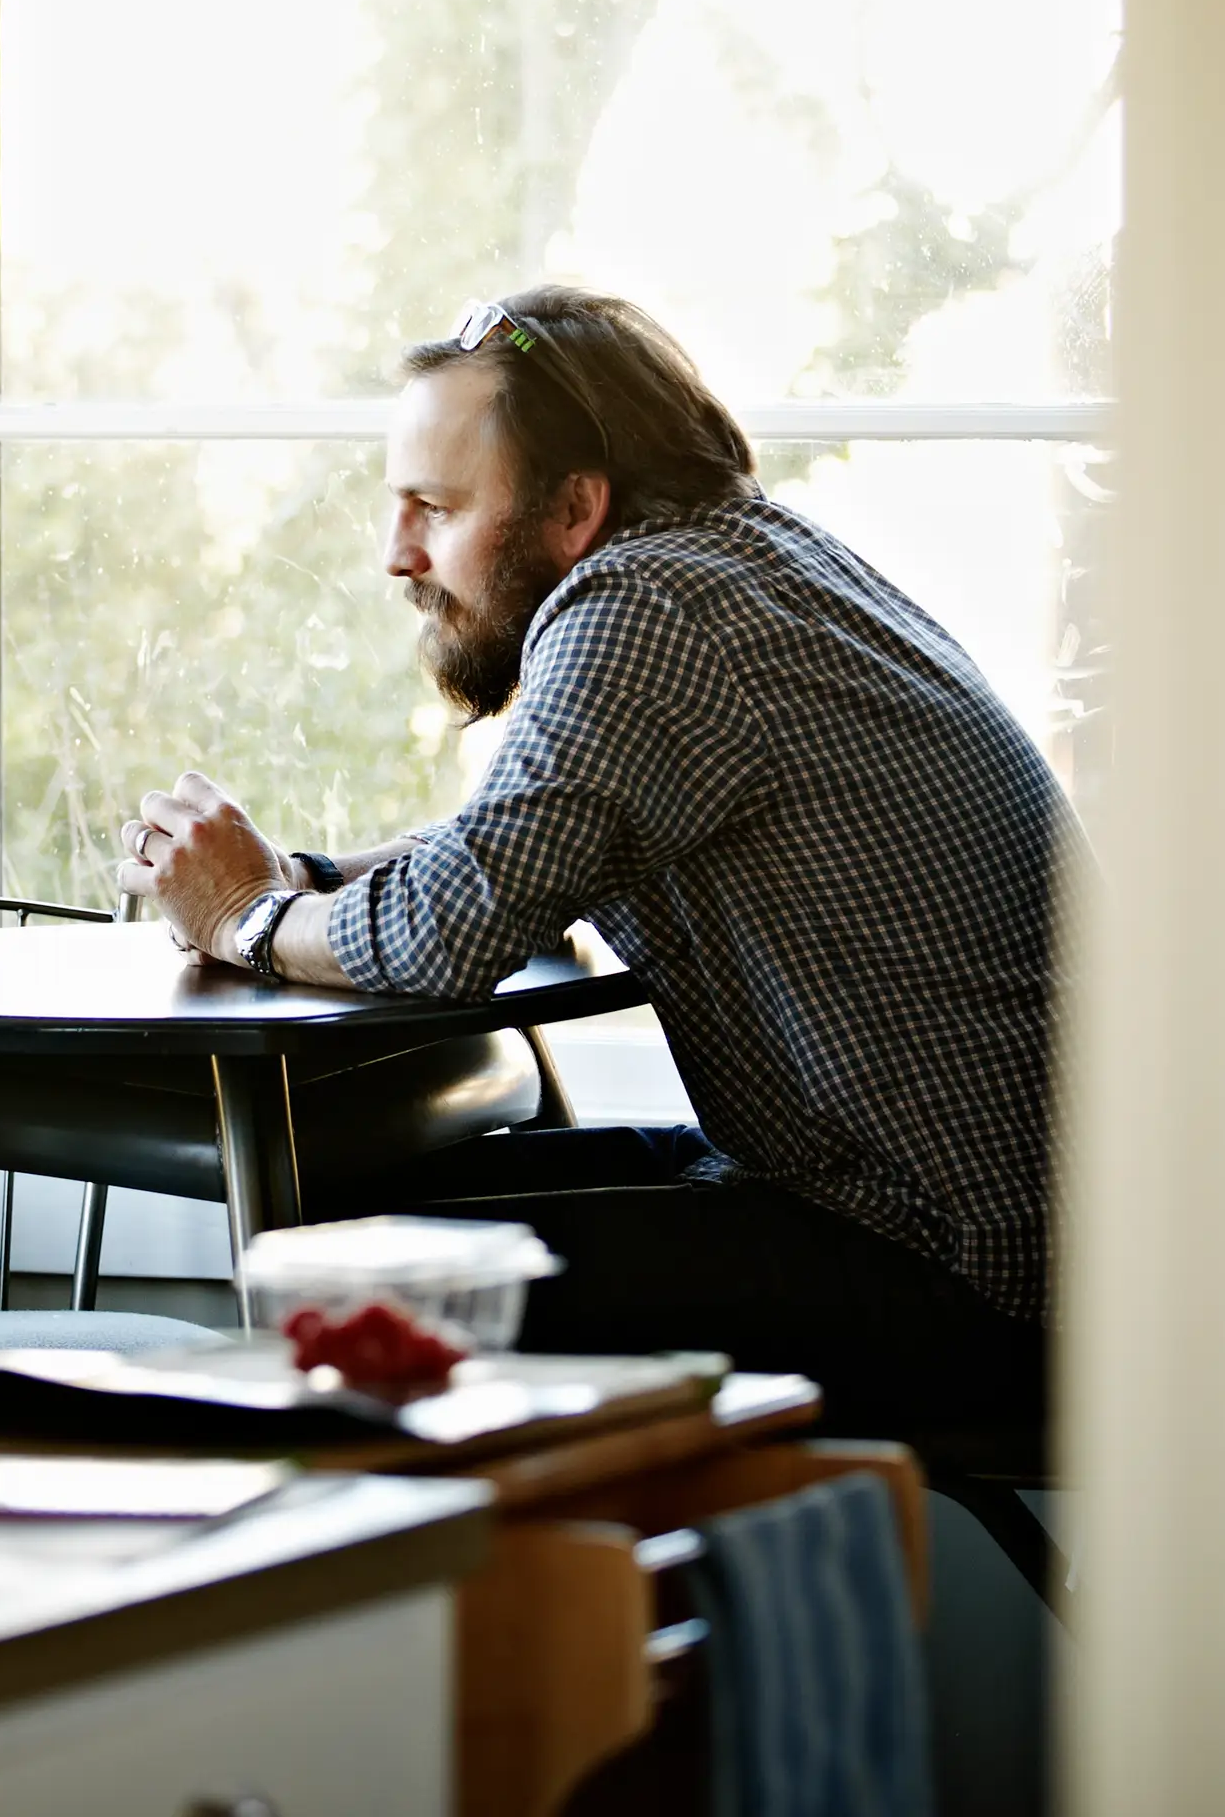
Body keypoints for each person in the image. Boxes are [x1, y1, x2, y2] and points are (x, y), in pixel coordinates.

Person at [115, 285, 1074, 1440]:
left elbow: (448, 930)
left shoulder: (647, 606)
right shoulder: (743, 558)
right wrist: (311, 877)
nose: (396, 552)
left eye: (436, 505)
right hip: (953, 1216)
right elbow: (530, 837)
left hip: (968, 1266)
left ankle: (538, 1613)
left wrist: (248, 918)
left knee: (365, 1284)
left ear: (576, 506)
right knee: (362, 1226)